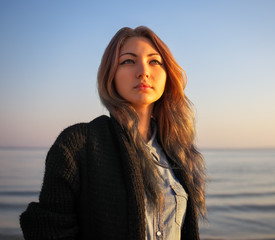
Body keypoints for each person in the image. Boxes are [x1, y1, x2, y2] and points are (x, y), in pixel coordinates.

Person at [20, 26, 206, 240]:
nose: (143, 71)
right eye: (128, 61)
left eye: (154, 61)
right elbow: (47, 230)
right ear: (111, 74)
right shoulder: (78, 144)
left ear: (167, 74)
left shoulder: (177, 150)